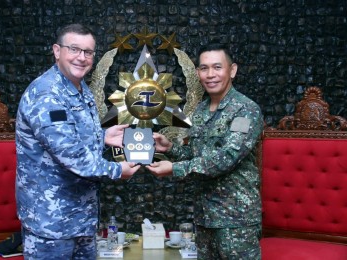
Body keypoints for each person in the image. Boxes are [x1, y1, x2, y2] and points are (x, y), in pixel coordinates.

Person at [15, 23, 140, 260]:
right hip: (51, 224)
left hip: (80, 218)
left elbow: (70, 138)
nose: (81, 58)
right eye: (74, 49)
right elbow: (71, 155)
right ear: (57, 50)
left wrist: (104, 137)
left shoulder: (81, 88)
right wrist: (116, 170)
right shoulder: (47, 94)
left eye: (88, 52)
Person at [147, 44, 263, 259]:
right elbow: (196, 153)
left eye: (217, 67)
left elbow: (227, 157)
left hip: (235, 220)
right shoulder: (200, 110)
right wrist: (170, 148)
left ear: (232, 70)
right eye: (204, 68)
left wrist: (175, 169)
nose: (210, 75)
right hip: (205, 216)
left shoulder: (245, 110)